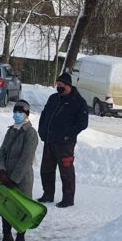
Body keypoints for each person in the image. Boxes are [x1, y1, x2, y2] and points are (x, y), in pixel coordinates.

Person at [37, 72, 89, 208]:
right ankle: (48, 195)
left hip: (65, 144)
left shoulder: (78, 102)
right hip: (49, 140)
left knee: (66, 172)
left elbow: (83, 123)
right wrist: (42, 130)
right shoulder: (53, 98)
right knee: (46, 169)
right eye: (57, 85)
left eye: (61, 85)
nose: (58, 87)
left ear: (68, 86)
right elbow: (44, 115)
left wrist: (68, 135)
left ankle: (68, 199)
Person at [0, 100, 40, 241]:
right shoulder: (11, 131)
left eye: (20, 112)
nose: (16, 115)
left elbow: (26, 159)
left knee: (21, 209)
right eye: (15, 112)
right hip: (6, 176)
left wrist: (13, 179)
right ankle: (6, 236)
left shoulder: (30, 133)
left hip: (22, 179)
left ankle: (21, 236)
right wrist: (2, 170)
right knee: (5, 207)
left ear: (26, 114)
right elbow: (2, 152)